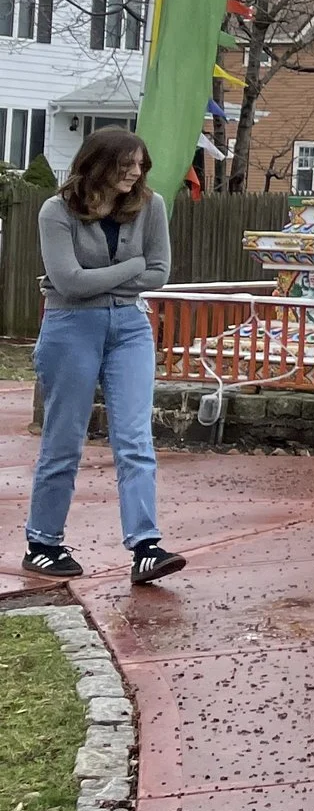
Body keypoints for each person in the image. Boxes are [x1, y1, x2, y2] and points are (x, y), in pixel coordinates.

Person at [23, 129, 182, 585]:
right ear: (98, 164)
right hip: (71, 328)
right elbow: (68, 282)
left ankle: (146, 547)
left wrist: (112, 276)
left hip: (131, 328)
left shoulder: (152, 207)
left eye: (140, 164)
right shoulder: (57, 211)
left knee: (135, 439)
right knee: (64, 438)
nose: (136, 172)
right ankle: (43, 543)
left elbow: (160, 273)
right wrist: (133, 267)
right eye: (126, 164)